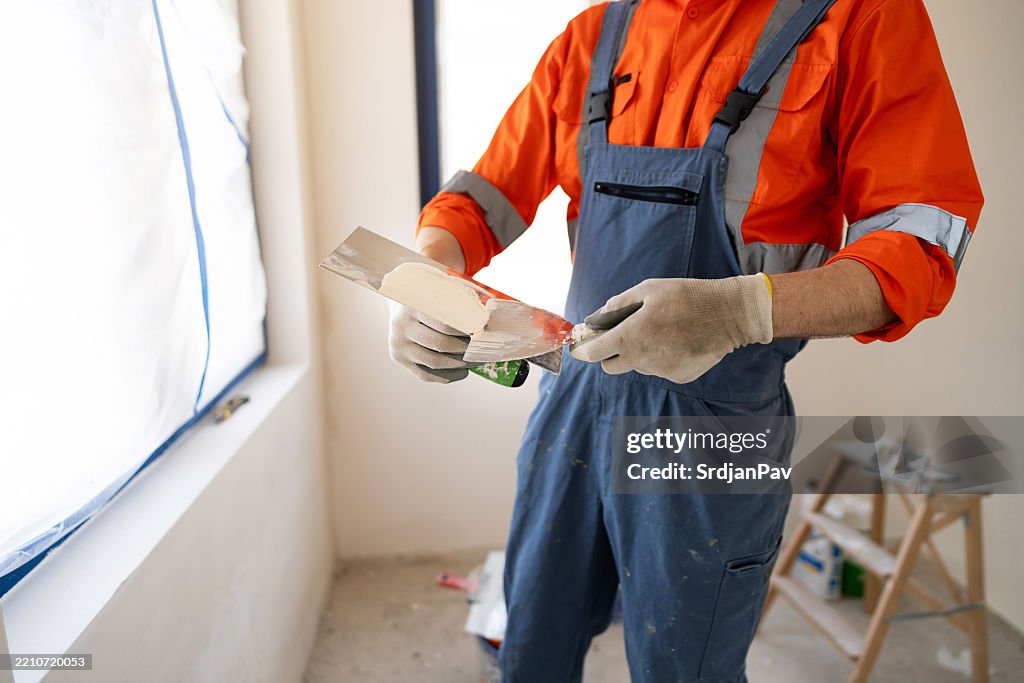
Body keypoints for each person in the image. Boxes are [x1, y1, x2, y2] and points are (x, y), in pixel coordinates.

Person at [389, 0, 983, 680]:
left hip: (715, 430)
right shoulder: (597, 36)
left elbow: (918, 247)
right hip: (572, 407)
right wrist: (425, 281)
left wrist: (739, 311)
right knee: (530, 644)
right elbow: (478, 200)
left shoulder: (859, 18)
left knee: (687, 667)